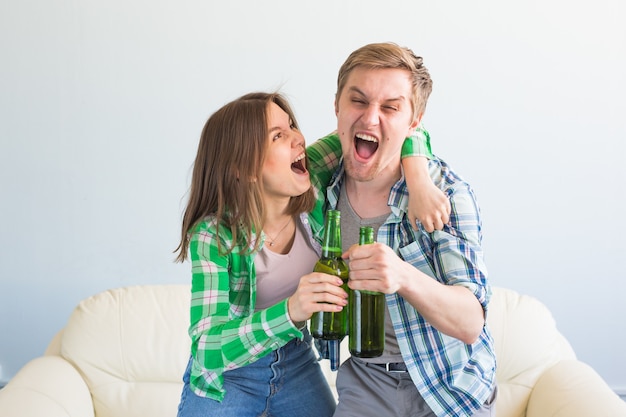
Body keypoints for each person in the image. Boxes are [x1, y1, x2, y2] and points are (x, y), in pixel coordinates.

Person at [174, 92, 448, 416]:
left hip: (295, 363)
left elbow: (396, 130)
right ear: (243, 167)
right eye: (279, 135)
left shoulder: (312, 180)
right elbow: (208, 347)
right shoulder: (213, 236)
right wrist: (291, 311)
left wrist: (419, 182)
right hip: (230, 377)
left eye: (292, 126)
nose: (299, 139)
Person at [306, 43, 497, 417]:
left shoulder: (445, 194)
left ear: (414, 120)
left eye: (390, 107)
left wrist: (402, 275)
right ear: (337, 107)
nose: (370, 118)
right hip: (366, 381)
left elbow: (471, 321)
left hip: (450, 385)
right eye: (358, 101)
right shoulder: (318, 188)